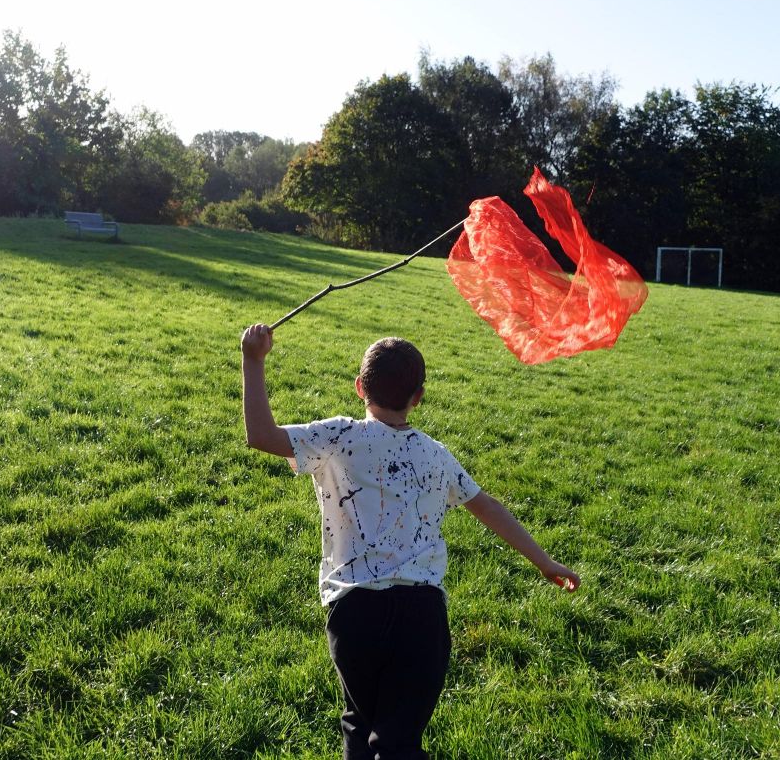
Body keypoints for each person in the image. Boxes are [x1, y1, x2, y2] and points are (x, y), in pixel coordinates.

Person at [240, 323, 579, 760]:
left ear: (360, 387)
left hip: (354, 614)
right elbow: (488, 507)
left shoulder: (338, 438)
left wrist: (253, 361)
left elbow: (261, 436)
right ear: (419, 396)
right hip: (422, 619)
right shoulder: (436, 454)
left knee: (360, 725)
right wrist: (544, 562)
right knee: (397, 742)